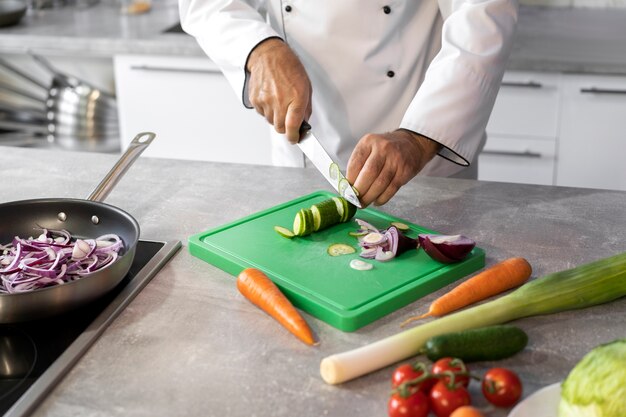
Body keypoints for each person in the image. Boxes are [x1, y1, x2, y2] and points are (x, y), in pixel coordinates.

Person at [178, 0, 518, 207]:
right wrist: (259, 49)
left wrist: (419, 138)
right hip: (303, 152)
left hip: (421, 155)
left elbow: (483, 15)